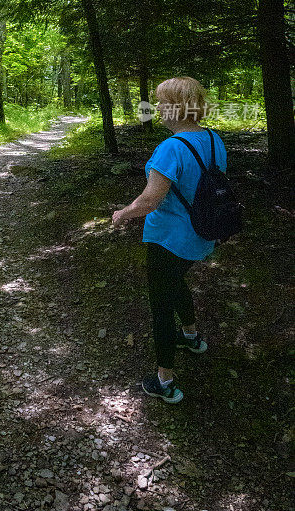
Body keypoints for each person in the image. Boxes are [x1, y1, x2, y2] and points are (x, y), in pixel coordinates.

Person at [112, 76, 227, 403]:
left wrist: (123, 213)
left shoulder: (171, 148)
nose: (157, 109)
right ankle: (190, 337)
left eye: (162, 103)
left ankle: (164, 382)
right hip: (202, 236)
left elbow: (150, 201)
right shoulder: (214, 140)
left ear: (177, 108)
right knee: (176, 283)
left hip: (169, 241)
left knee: (160, 307)